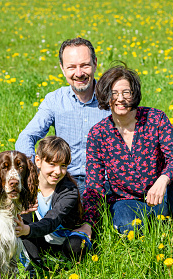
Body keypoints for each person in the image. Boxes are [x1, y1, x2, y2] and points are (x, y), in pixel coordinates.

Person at [81, 64, 173, 246]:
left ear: (134, 94)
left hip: (162, 193)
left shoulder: (156, 119)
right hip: (126, 201)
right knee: (126, 225)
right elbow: (94, 186)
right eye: (114, 93)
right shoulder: (98, 133)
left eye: (126, 92)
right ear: (106, 96)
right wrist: (87, 223)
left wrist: (163, 180)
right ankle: (163, 228)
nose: (120, 99)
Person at [15, 37, 110, 198]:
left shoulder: (113, 98)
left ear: (95, 63)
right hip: (63, 180)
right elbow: (27, 136)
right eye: (71, 67)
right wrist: (33, 171)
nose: (79, 73)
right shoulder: (55, 100)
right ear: (62, 68)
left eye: (85, 65)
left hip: (104, 182)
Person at [15, 136, 90, 272]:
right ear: (38, 161)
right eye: (52, 164)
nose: (57, 171)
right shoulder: (26, 184)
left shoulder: (69, 191)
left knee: (76, 245)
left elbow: (53, 219)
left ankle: (64, 265)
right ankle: (34, 264)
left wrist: (28, 230)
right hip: (41, 238)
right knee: (24, 213)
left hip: (65, 237)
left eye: (63, 166)